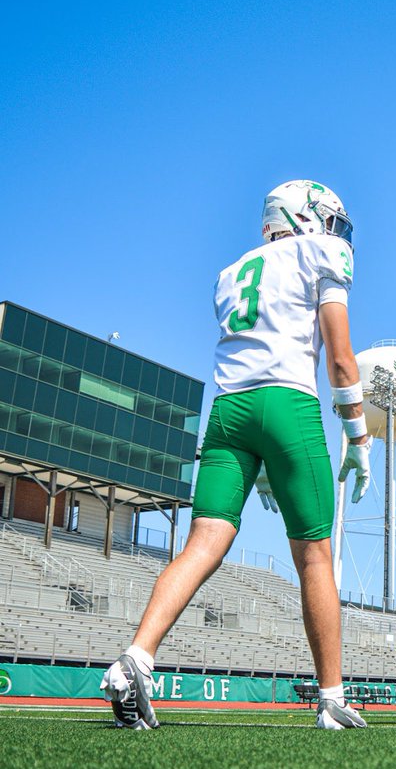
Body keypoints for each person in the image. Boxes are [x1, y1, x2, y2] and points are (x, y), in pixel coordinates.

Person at [101, 180, 372, 731]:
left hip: (227, 411)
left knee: (203, 544)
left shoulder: (232, 272)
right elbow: (341, 360)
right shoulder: (323, 252)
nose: (335, 231)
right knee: (314, 556)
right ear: (304, 217)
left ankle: (135, 660)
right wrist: (359, 435)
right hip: (288, 405)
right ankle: (332, 699)